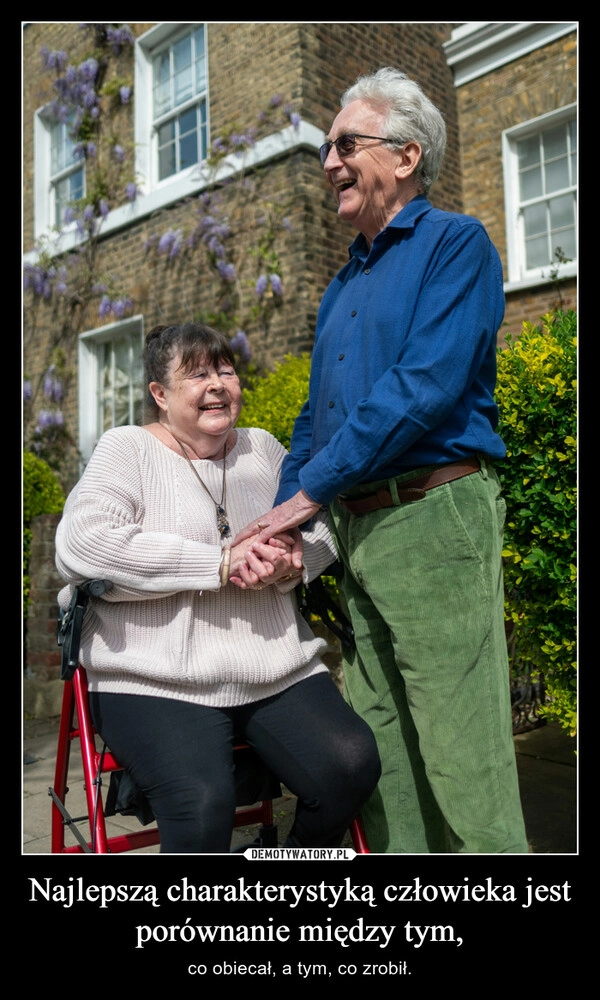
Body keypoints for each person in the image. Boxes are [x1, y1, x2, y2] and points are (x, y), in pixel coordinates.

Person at [235, 67, 528, 853]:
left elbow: (424, 390)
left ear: (404, 155)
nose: (328, 161)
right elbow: (314, 417)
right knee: (382, 752)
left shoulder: (455, 245)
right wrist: (291, 519)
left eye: (344, 144)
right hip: (358, 531)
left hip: (433, 516)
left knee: (462, 752)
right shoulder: (341, 285)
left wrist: (306, 498)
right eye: (326, 147)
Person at [54, 322, 380, 854]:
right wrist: (219, 562)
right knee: (202, 805)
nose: (217, 384)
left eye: (226, 370)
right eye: (197, 374)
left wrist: (295, 562)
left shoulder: (263, 449)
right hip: (152, 675)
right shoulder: (127, 449)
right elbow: (81, 546)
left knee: (351, 765)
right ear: (159, 395)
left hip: (273, 664)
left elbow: (325, 529)